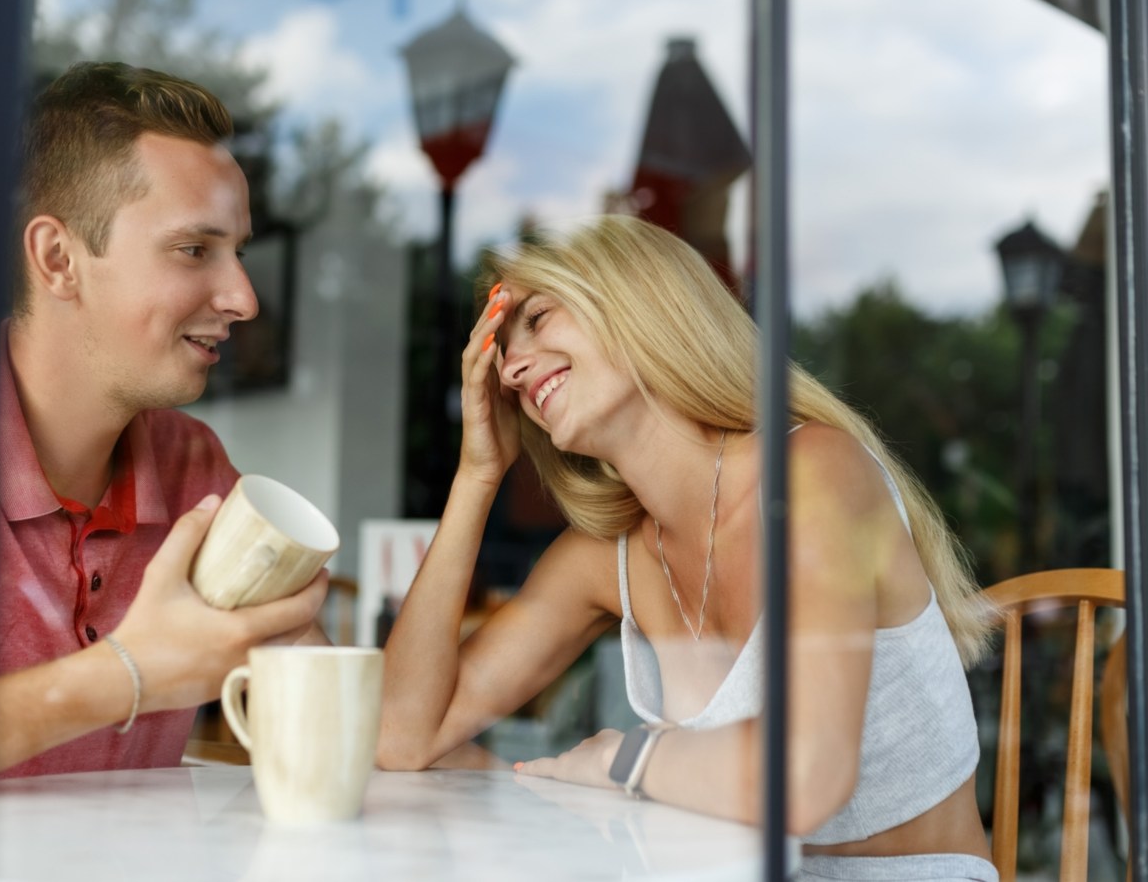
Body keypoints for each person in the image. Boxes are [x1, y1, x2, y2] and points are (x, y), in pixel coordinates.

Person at [378, 215, 998, 881]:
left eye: (540, 317)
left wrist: (626, 760)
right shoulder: (604, 558)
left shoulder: (817, 472)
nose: (512, 367)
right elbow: (402, 736)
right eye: (503, 348)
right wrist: (477, 476)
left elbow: (806, 774)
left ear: (638, 302)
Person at [0, 61, 327, 779]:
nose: (243, 298)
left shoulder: (194, 466)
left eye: (238, 254)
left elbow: (332, 722)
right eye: (195, 250)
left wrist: (478, 473)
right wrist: (131, 672)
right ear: (58, 259)